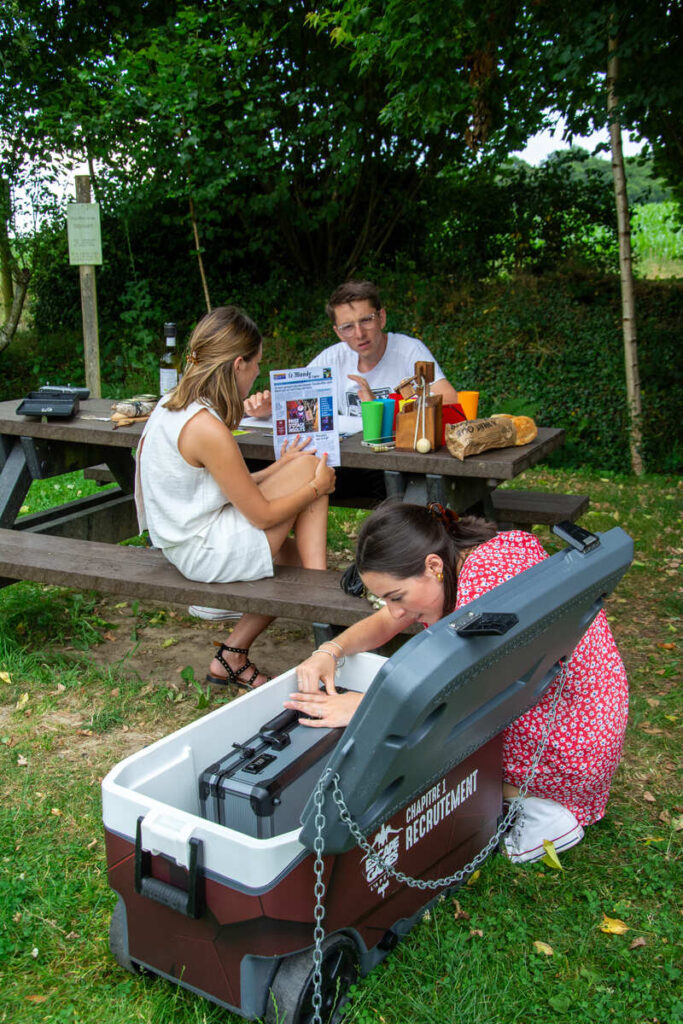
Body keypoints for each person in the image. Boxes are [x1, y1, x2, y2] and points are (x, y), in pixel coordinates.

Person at [284, 501, 629, 864]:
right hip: (591, 722)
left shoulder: (481, 596)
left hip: (565, 749)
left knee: (428, 747)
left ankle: (540, 807)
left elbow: (463, 698)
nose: (396, 610)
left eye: (396, 596)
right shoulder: (481, 555)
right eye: (384, 598)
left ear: (432, 566)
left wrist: (366, 709)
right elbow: (389, 620)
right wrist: (332, 649)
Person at [135, 306, 336, 690]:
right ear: (238, 364)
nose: (258, 372)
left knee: (295, 563)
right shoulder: (206, 427)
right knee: (311, 470)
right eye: (258, 363)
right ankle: (325, 622)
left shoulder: (172, 404)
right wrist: (316, 488)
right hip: (203, 551)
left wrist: (282, 466)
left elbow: (230, 484)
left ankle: (233, 654)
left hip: (185, 538)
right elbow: (260, 515)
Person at [244, 280, 459, 420]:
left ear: (381, 318)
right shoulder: (332, 358)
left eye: (366, 320)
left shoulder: (409, 351)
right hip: (350, 461)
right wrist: (269, 408)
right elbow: (295, 402)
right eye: (348, 327)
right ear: (338, 332)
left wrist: (382, 409)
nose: (359, 333)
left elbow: (450, 399)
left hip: (398, 462)